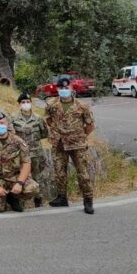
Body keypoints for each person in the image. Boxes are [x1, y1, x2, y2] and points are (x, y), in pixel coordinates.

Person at [45, 77, 96, 214]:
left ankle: (88, 200)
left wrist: (80, 136)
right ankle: (62, 198)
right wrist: (58, 133)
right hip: (59, 143)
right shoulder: (52, 104)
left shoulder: (81, 105)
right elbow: (49, 120)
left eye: (66, 88)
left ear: (72, 89)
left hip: (77, 144)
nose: (64, 90)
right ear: (57, 89)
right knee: (60, 172)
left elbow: (90, 125)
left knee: (83, 173)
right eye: (61, 88)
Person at [0, 112, 39, 212]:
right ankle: (3, 199)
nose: (0, 125)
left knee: (32, 188)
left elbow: (26, 163)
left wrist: (19, 183)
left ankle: (14, 197)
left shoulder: (18, 141)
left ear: (7, 124)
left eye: (2, 123)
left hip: (15, 177)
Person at [11, 91, 49, 207]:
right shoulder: (13, 118)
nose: (26, 104)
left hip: (36, 153)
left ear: (31, 103)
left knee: (38, 176)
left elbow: (44, 133)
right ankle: (22, 200)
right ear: (19, 104)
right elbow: (12, 135)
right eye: (23, 102)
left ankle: (38, 199)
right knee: (21, 176)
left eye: (28, 102)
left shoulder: (38, 118)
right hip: (21, 154)